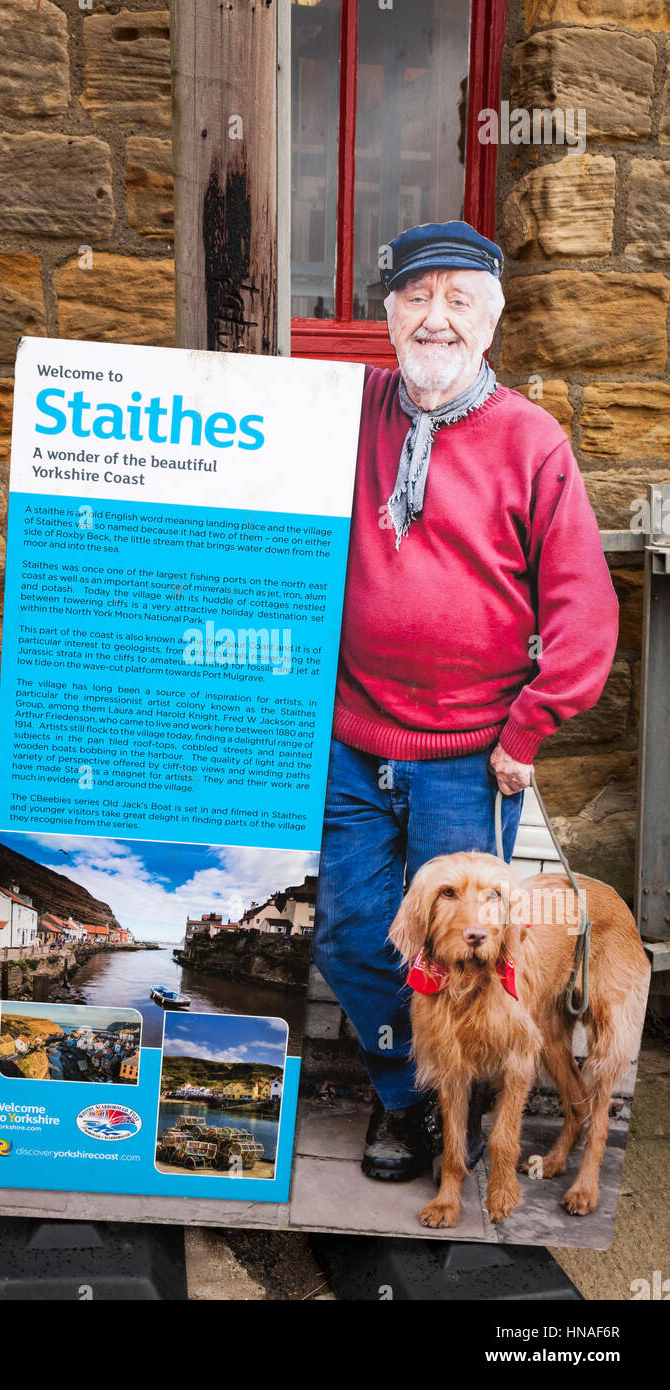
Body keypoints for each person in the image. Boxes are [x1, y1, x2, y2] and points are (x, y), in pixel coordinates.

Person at [312, 220, 619, 1183]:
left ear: (490, 320)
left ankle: (471, 1111)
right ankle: (402, 1093)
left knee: (465, 952)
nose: (433, 318)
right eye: (414, 296)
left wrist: (529, 725)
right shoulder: (349, 407)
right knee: (350, 932)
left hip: (470, 752)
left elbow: (583, 607)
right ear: (387, 312)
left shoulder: (533, 439)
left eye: (458, 300)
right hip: (351, 734)